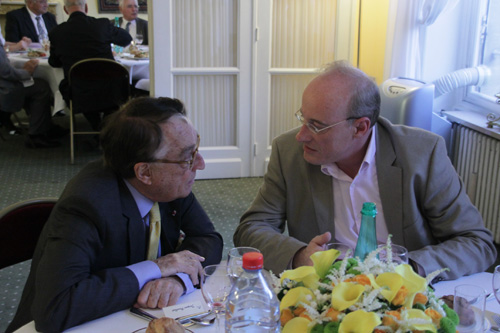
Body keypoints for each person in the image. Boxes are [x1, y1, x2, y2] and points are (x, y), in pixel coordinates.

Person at [234, 60, 497, 281]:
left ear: (360, 127)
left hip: (400, 296)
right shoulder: (288, 152)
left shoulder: (422, 154)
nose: (302, 135)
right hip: (325, 294)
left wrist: (410, 268)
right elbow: (251, 229)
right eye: (303, 118)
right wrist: (300, 255)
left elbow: (477, 242)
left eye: (316, 125)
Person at [6, 96, 223, 333]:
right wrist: (157, 267)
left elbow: (208, 238)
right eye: (188, 157)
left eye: (196, 149)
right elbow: (55, 309)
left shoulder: (170, 184)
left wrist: (176, 279)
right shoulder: (86, 205)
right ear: (144, 172)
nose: (200, 164)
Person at [48, 0, 132, 130]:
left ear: (65, 10)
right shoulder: (102, 24)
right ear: (86, 7)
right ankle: (105, 126)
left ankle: (97, 126)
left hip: (79, 91)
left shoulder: (56, 32)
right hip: (111, 89)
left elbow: (53, 62)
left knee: (76, 87)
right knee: (116, 87)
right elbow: (126, 39)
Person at [0, 20, 67, 147]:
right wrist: (25, 72)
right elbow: (5, 72)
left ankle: (44, 126)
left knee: (39, 83)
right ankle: (36, 135)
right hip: (4, 88)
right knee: (40, 87)